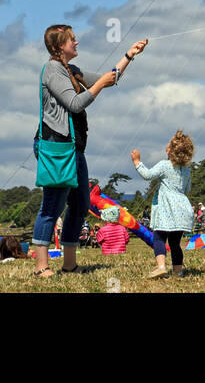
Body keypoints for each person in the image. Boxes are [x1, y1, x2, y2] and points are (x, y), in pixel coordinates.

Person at [32, 22, 148, 280]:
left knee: (80, 204)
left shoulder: (70, 70)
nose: (77, 42)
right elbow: (75, 104)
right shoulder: (53, 69)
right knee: (52, 206)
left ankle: (69, 264)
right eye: (72, 39)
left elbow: (111, 79)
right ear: (59, 45)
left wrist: (129, 55)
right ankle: (41, 265)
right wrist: (100, 84)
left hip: (74, 149)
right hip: (57, 147)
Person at [131, 131, 195, 280]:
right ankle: (178, 272)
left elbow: (147, 175)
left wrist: (137, 162)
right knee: (175, 243)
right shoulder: (186, 170)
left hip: (166, 208)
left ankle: (161, 267)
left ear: (170, 150)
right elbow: (187, 189)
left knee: (159, 237)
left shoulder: (164, 165)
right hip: (182, 209)